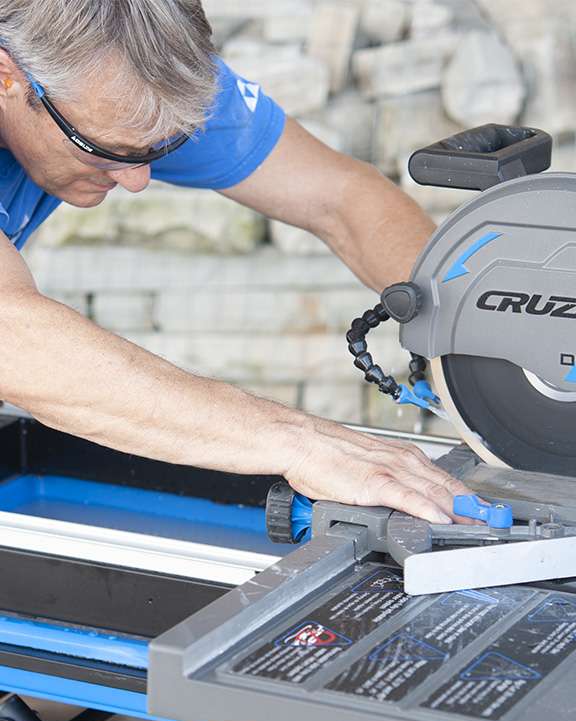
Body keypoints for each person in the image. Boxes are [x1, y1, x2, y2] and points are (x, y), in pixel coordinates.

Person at [0, 0, 467, 524]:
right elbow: (14, 337)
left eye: (159, 148)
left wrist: (483, 335)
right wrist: (301, 444)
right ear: (7, 76)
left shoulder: (133, 76)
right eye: (105, 150)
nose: (137, 181)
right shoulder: (73, 76)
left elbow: (341, 198)